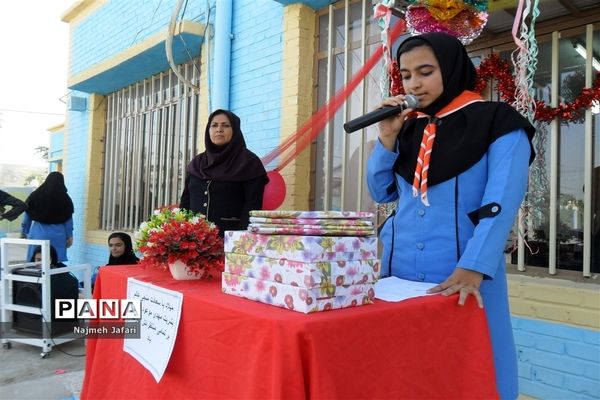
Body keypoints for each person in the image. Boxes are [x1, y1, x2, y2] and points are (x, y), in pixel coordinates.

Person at [367, 33, 535, 400]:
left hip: (463, 273)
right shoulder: (408, 129)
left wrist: (473, 267)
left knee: (472, 371)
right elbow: (382, 193)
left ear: (452, 68)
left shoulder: (499, 122)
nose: (414, 84)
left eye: (425, 72)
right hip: (400, 275)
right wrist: (387, 138)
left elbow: (501, 203)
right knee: (408, 371)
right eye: (407, 75)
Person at [180, 109, 268, 236]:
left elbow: (252, 208)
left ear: (235, 130)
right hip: (194, 242)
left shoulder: (249, 163)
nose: (219, 129)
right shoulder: (197, 163)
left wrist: (238, 240)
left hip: (230, 240)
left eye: (225, 125)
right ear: (208, 130)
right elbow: (185, 203)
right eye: (214, 125)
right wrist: (182, 233)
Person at [21, 172, 74, 262]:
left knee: (36, 261)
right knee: (55, 262)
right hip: (58, 236)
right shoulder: (65, 198)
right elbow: (68, 219)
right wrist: (70, 236)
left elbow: (27, 215)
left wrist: (24, 232)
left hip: (38, 234)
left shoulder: (35, 195)